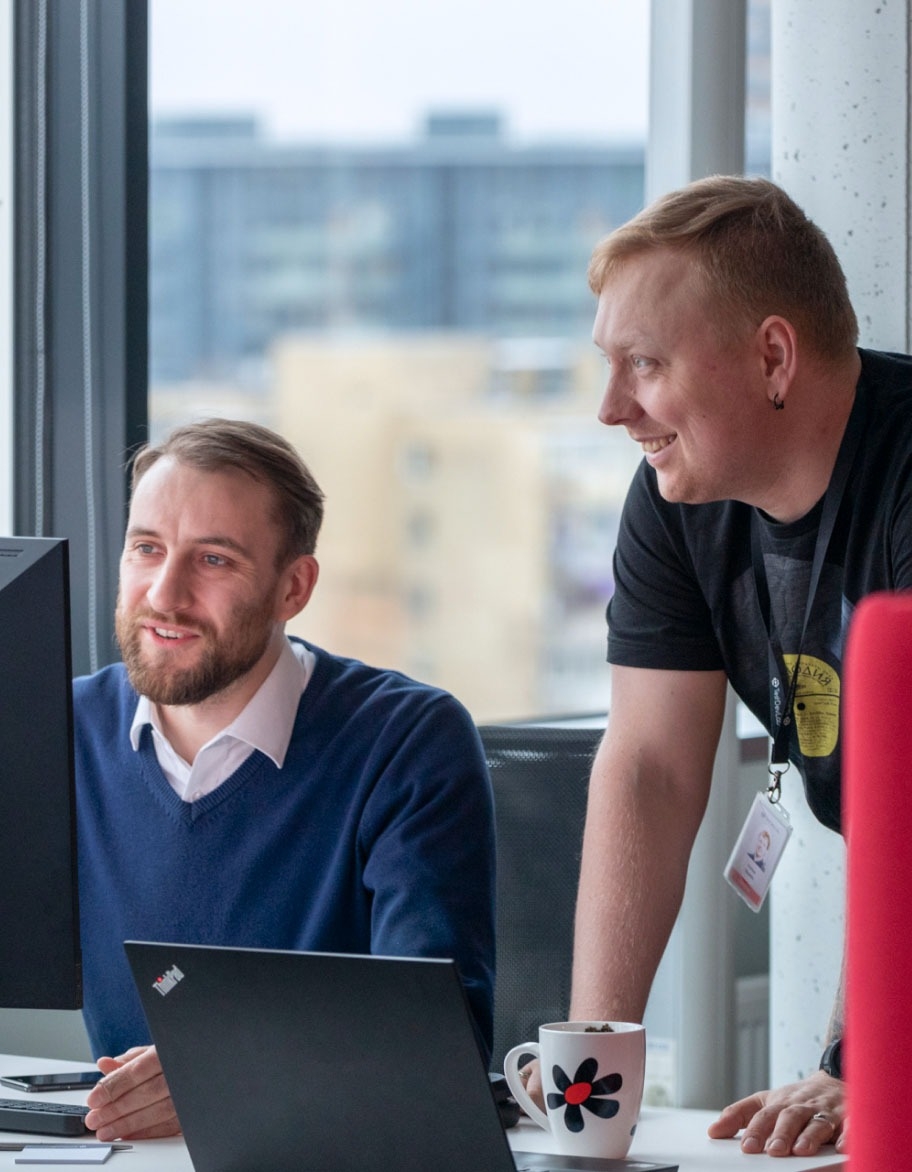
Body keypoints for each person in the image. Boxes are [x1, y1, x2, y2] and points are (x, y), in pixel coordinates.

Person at [567, 174, 912, 1157]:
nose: (609, 407)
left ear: (772, 356)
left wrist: (864, 1062)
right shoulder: (674, 497)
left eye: (644, 363)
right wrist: (593, 1071)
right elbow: (650, 770)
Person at [78, 418, 496, 1141]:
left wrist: (223, 1077)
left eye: (213, 560)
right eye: (146, 549)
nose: (164, 594)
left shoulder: (407, 740)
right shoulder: (60, 729)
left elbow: (440, 1040)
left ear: (293, 588)